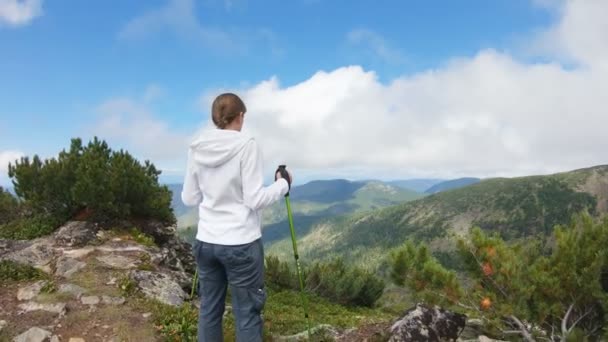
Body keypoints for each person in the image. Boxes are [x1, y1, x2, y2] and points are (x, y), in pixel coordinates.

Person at [181, 93, 291, 342]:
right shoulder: (247, 145)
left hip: (206, 242)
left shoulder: (197, 148)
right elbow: (254, 199)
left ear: (215, 118)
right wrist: (282, 184)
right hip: (241, 242)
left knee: (209, 309)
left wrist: (214, 196)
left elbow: (189, 197)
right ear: (240, 116)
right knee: (248, 314)